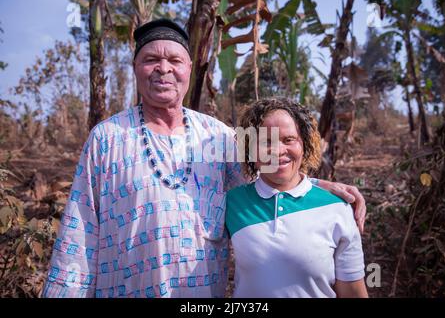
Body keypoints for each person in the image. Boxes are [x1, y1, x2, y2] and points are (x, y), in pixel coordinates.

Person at [42, 19, 366, 298]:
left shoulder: (219, 136)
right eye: (151, 59)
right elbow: (79, 231)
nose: (163, 69)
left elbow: (266, 180)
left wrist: (320, 186)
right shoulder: (106, 138)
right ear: (136, 68)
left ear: (189, 71)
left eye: (175, 60)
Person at [226, 97, 368, 298]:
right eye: (266, 141)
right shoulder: (232, 203)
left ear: (304, 144)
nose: (277, 151)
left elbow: (353, 293)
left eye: (288, 140)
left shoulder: (337, 208)